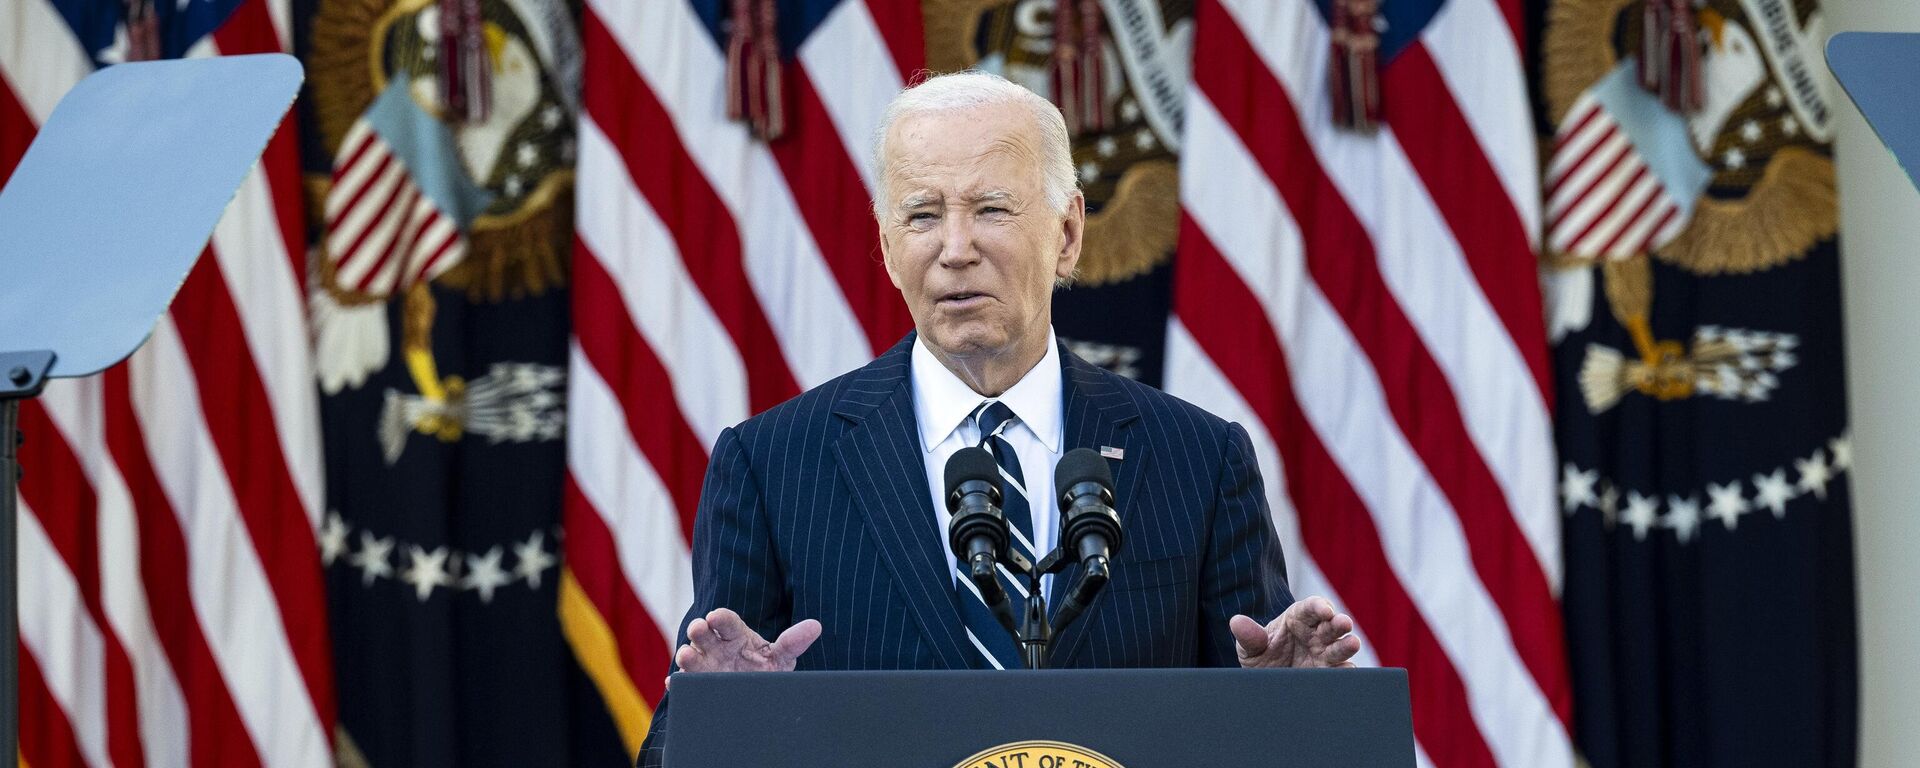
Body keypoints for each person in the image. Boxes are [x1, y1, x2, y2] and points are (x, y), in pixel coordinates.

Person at [635, 71, 1360, 766]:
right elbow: (674, 747)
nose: (955, 249)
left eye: (991, 209)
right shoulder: (773, 465)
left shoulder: (1198, 460)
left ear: (1068, 232)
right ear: (888, 247)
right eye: (922, 215)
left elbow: (1257, 724)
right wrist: (726, 725)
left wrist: (1293, 707)